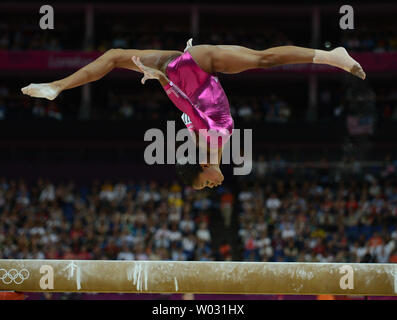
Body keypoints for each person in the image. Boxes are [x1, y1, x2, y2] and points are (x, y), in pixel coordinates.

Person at [21, 39, 366, 189]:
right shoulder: (208, 143)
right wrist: (165, 80)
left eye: (204, 185)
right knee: (113, 56)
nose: (212, 186)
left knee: (263, 59)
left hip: (193, 68)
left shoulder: (210, 141)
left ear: (203, 168)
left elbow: (189, 107)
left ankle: (331, 55)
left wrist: (164, 80)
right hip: (187, 69)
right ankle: (57, 85)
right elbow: (188, 109)